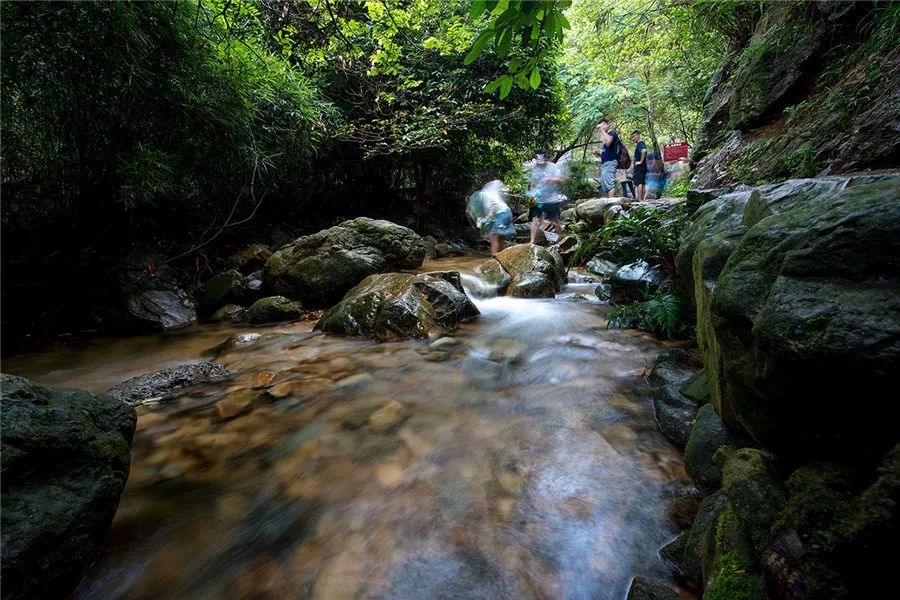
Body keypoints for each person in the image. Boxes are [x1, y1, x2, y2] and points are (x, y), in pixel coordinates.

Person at [526, 149, 565, 245]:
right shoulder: (535, 168)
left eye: (540, 157)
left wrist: (549, 178)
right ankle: (532, 241)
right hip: (538, 200)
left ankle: (562, 238)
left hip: (552, 200)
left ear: (546, 157)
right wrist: (531, 194)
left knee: (554, 222)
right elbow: (532, 183)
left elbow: (560, 179)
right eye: (537, 157)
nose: (538, 159)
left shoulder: (553, 167)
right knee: (535, 220)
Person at [465, 179, 515, 255]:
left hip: (500, 214)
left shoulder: (482, 196)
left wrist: (488, 216)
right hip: (507, 212)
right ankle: (502, 258)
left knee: (493, 238)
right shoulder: (488, 194)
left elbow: (491, 206)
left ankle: (494, 261)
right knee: (500, 238)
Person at [592, 120, 619, 198]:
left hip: (610, 162)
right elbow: (607, 152)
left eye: (601, 126)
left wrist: (602, 130)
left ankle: (611, 204)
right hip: (605, 163)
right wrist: (598, 154)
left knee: (609, 183)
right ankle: (608, 202)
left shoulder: (612, 133)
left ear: (606, 125)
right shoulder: (606, 136)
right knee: (605, 184)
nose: (599, 129)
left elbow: (609, 142)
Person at [631, 131, 648, 201]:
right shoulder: (640, 144)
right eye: (632, 137)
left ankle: (639, 199)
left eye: (634, 136)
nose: (633, 138)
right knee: (642, 182)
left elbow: (644, 150)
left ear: (638, 135)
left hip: (640, 167)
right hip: (643, 166)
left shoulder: (640, 143)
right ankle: (642, 199)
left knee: (639, 182)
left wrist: (640, 161)